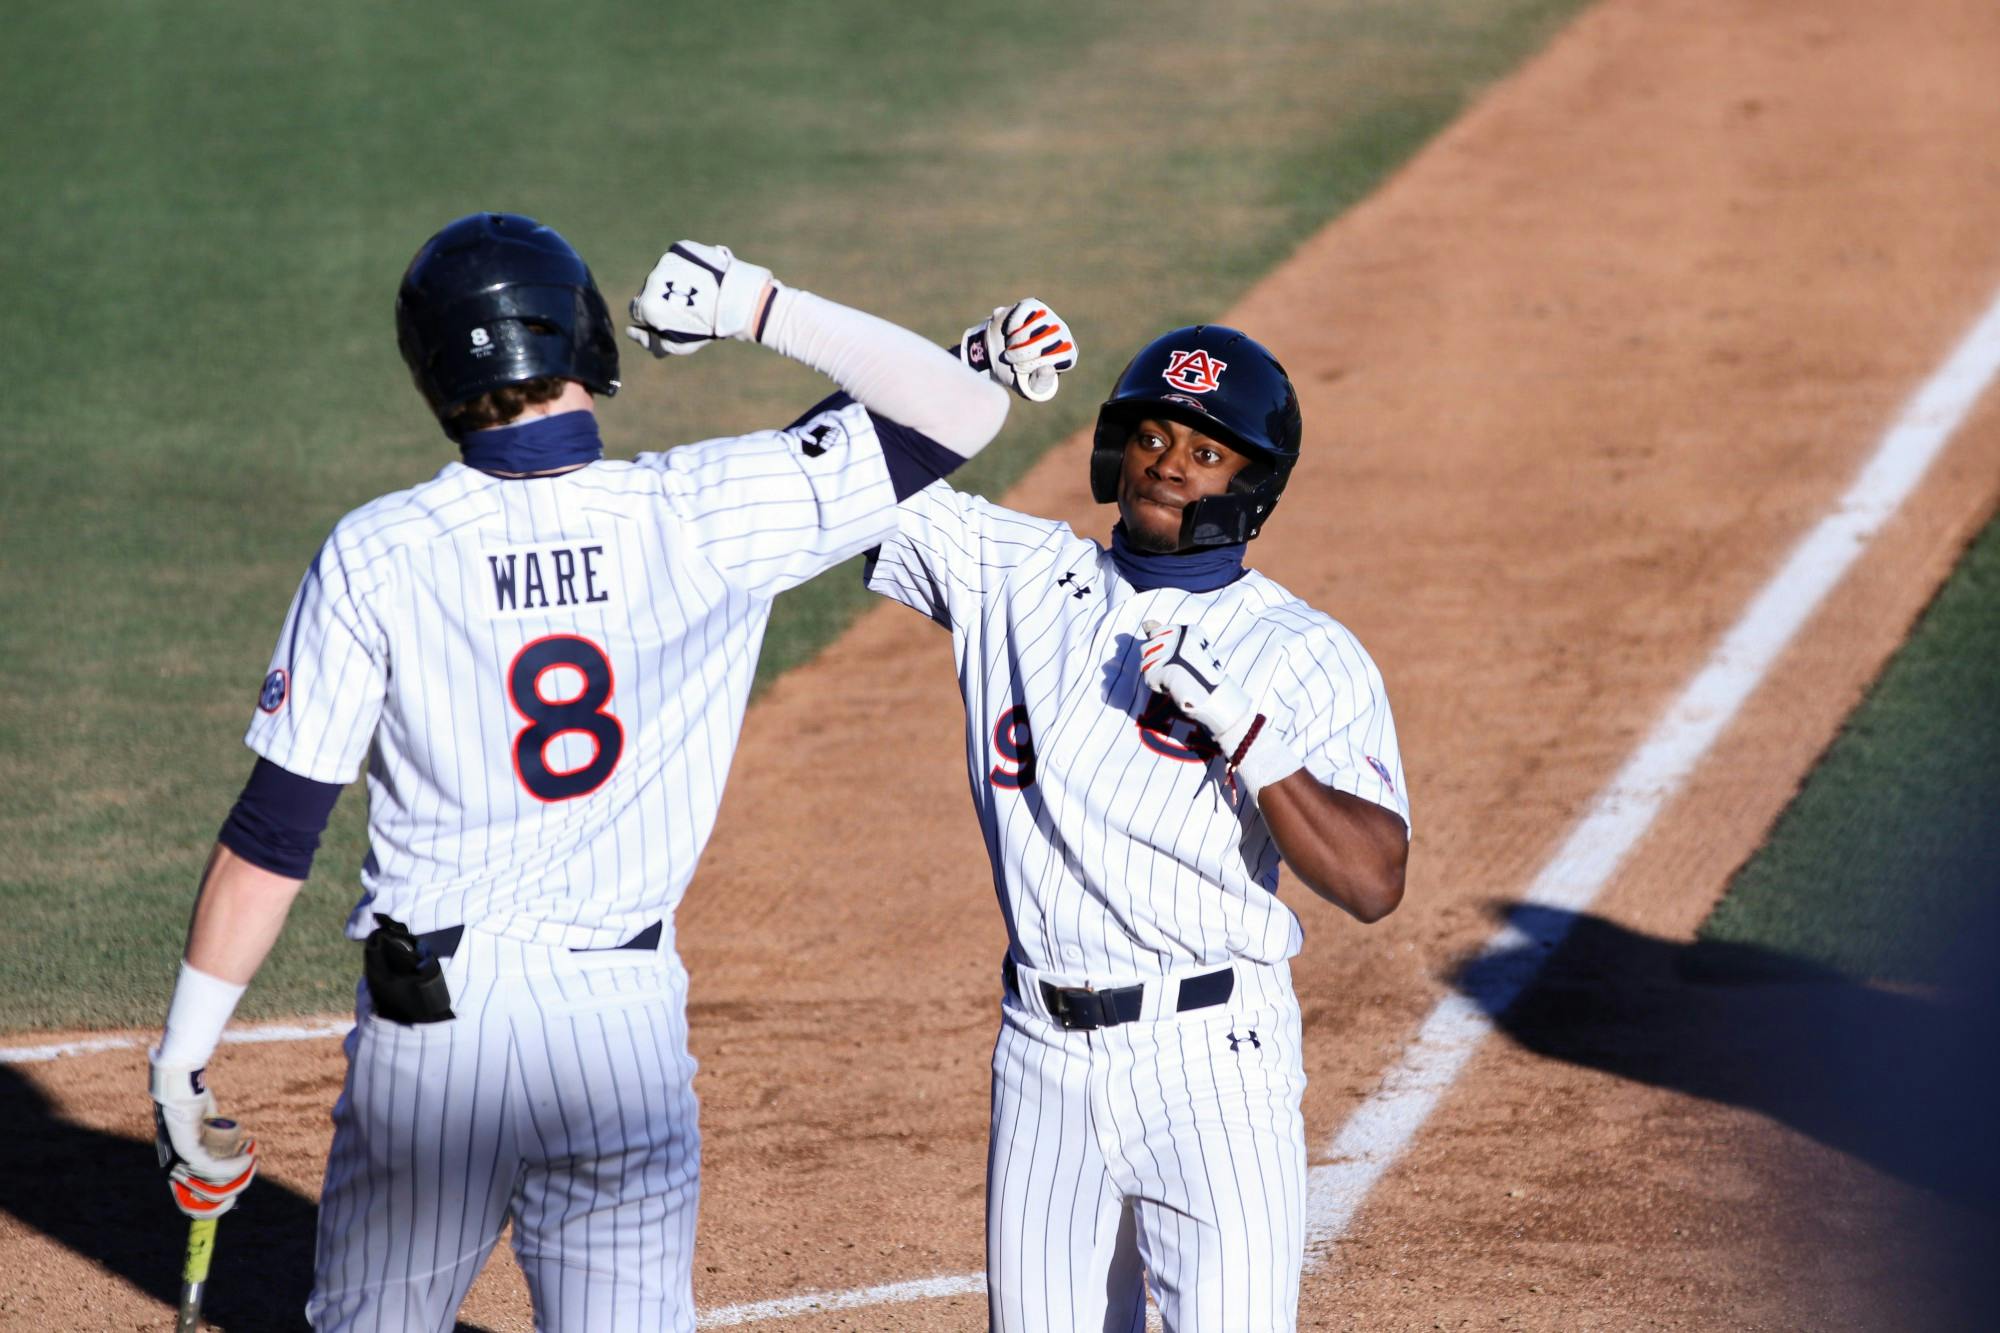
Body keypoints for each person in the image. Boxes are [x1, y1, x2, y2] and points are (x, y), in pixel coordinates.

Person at [144, 212, 1011, 1332]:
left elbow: (275, 829)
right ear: (581, 335)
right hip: (620, 1025)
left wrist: (183, 1063)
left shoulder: (378, 549)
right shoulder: (704, 508)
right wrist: (754, 305)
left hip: (435, 1037)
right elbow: (958, 410)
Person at [866, 306, 1412, 1332]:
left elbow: (1374, 880)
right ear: (1115, 449)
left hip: (1212, 1063)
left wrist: (1253, 741)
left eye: (1207, 452)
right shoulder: (1013, 575)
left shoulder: (1300, 651)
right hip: (1040, 1053)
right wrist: (961, 365)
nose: (1169, 465)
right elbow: (828, 477)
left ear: (1248, 488)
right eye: (1154, 437)